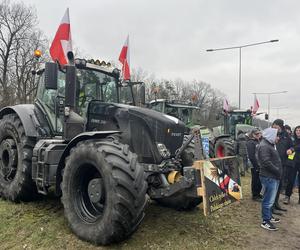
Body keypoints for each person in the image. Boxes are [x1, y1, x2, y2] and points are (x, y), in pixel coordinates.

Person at [256, 128, 281, 231]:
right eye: (276, 136)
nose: (278, 138)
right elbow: (266, 162)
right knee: (268, 200)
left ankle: (269, 216)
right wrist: (277, 171)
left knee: (270, 199)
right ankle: (265, 221)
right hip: (269, 176)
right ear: (271, 135)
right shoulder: (264, 146)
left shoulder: (268, 144)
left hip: (272, 176)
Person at [271, 119, 293, 212]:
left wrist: (291, 150)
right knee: (273, 185)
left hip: (283, 163)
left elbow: (292, 146)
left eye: (275, 126)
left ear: (280, 126)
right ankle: (271, 205)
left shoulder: (286, 135)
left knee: (279, 184)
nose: (274, 128)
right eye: (273, 126)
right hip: (273, 163)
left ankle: (276, 203)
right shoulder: (272, 133)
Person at [283, 125, 300, 204]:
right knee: (290, 180)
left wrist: (292, 149)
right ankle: (287, 196)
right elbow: (287, 147)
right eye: (297, 130)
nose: (298, 132)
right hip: (292, 162)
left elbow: (295, 147)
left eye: (299, 130)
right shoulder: (292, 139)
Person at [246, 127, 262, 201]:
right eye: (257, 134)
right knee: (255, 179)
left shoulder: (257, 141)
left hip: (259, 164)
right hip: (254, 165)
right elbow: (251, 156)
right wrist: (256, 166)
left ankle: (258, 193)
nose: (258, 135)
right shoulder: (250, 142)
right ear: (253, 134)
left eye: (259, 133)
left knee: (259, 180)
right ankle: (255, 195)